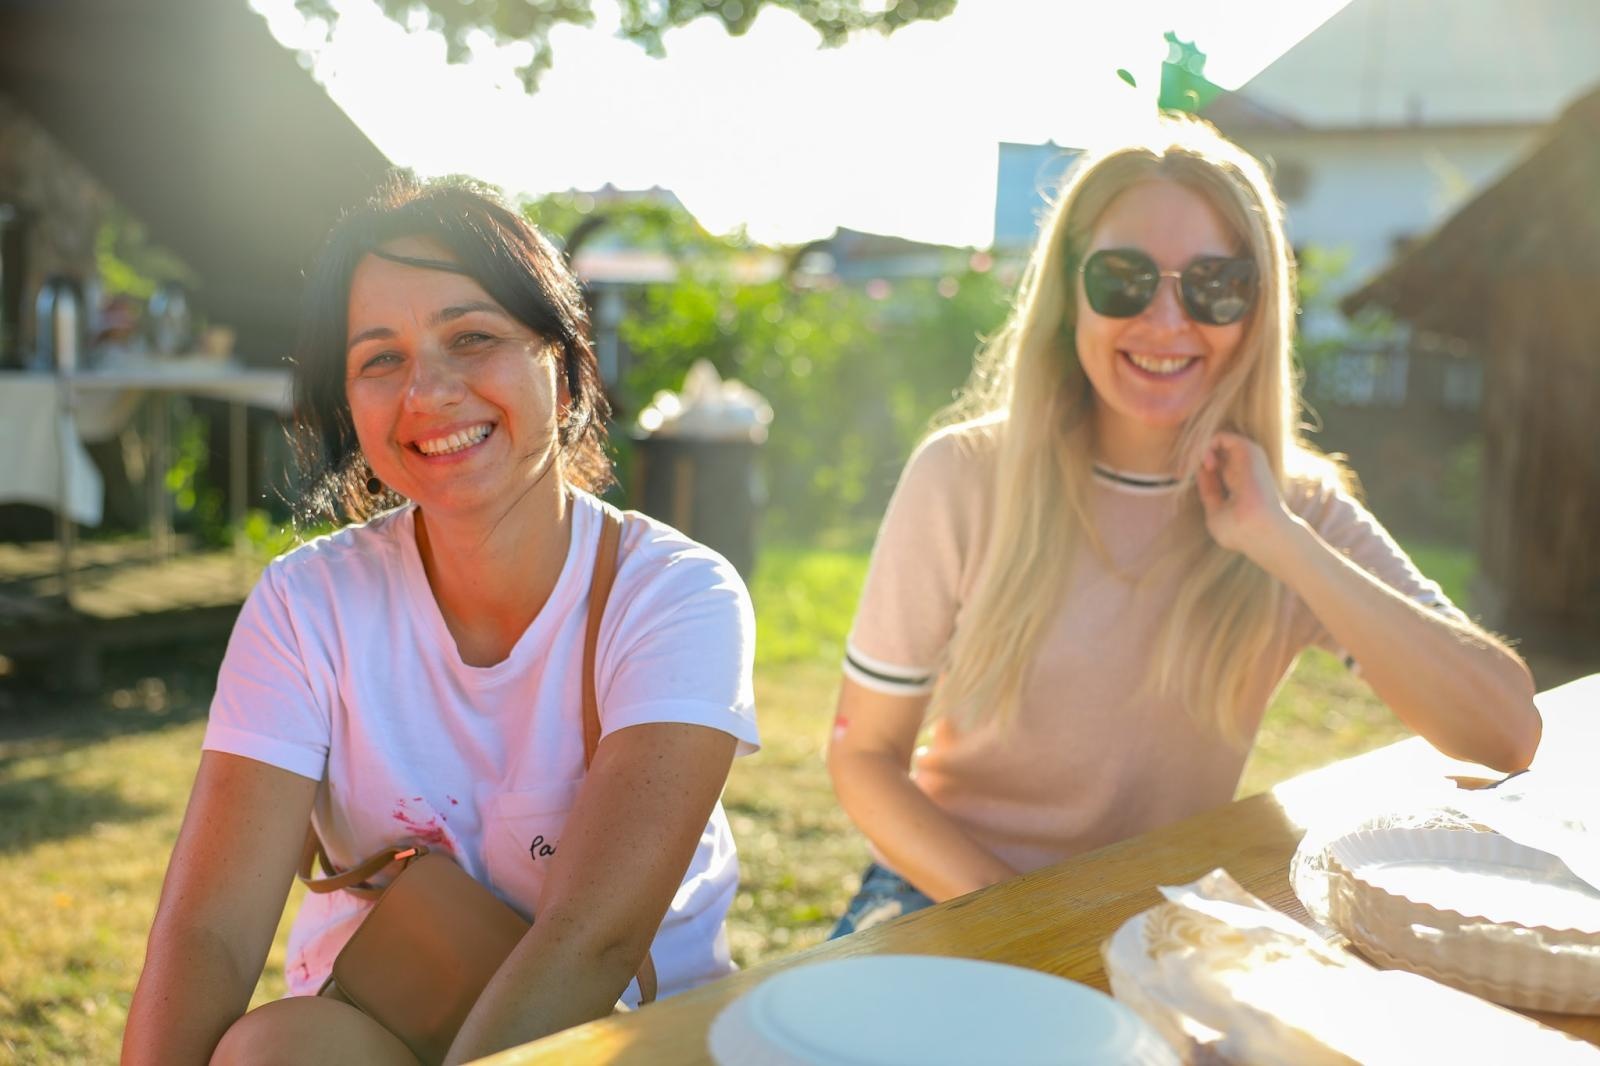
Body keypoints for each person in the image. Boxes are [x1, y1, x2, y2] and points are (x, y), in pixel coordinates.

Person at [825, 116, 1540, 936]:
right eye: (1124, 279)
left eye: (1214, 285)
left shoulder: (1295, 508)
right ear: (1068, 296)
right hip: (947, 890)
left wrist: (1281, 542)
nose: (1166, 321)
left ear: (1256, 308)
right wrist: (1028, 922)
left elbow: (1504, 733)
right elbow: (862, 756)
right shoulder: (964, 475)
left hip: (1154, 916)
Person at [123, 176, 759, 1064]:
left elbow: (592, 942)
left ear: (566, 368)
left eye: (473, 337)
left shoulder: (675, 596)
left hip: (614, 1034)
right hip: (382, 1018)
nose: (428, 389)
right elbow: (210, 935)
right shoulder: (307, 605)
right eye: (380, 359)